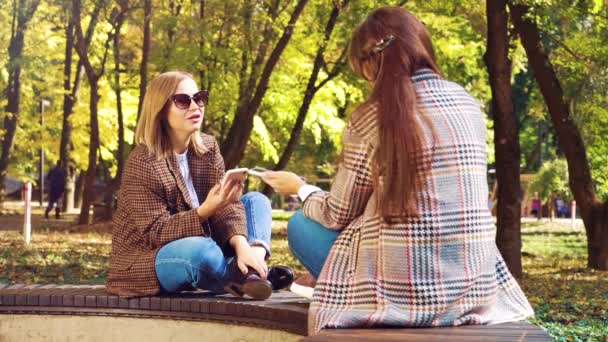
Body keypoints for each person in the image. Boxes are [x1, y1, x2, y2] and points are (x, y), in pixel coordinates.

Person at [261, 6, 533, 334]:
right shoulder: (468, 104)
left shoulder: (370, 118)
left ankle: (327, 280)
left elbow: (337, 214)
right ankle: (321, 279)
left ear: (369, 62)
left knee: (301, 224)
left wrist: (301, 188)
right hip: (472, 286)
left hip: (399, 289)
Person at [107, 71, 293, 299]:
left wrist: (243, 245)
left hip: (209, 240)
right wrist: (206, 210)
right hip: (152, 255)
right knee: (201, 253)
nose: (195, 106)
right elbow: (156, 232)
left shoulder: (208, 147)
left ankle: (251, 273)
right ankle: (250, 276)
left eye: (199, 97)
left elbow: (227, 205)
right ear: (161, 110)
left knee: (256, 201)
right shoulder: (143, 162)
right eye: (183, 100)